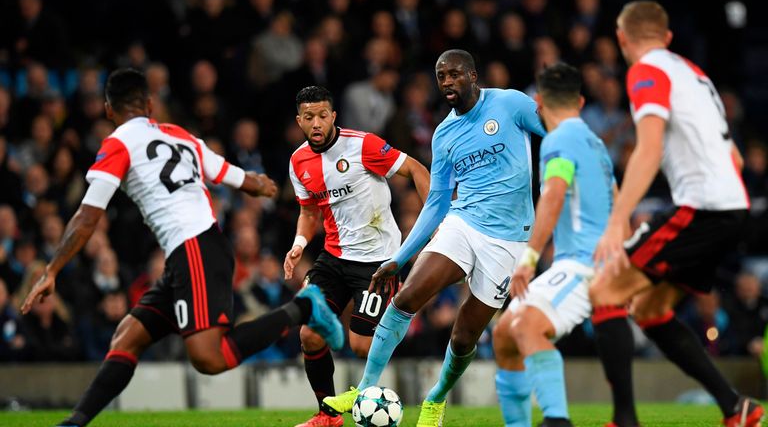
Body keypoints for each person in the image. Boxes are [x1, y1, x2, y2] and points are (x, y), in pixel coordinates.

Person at [19, 68, 345, 427]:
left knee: (209, 358)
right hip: (190, 252)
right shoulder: (180, 136)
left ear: (109, 110)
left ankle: (303, 306)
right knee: (127, 337)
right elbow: (236, 177)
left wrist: (51, 270)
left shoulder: (116, 144)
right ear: (149, 104)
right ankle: (74, 422)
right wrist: (262, 185)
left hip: (196, 249)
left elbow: (86, 216)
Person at [323, 49, 546, 426]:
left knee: (464, 337)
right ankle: (363, 389)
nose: (447, 82)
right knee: (407, 296)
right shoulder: (445, 133)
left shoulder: (511, 104)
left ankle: (436, 399)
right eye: (441, 76)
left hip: (509, 240)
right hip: (463, 222)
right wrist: (400, 257)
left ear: (473, 75)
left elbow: (555, 130)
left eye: (455, 74)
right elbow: (439, 201)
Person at [588, 1, 763, 427]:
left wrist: (617, 221)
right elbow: (735, 158)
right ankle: (736, 408)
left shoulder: (646, 71)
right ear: (667, 37)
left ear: (622, 37)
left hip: (703, 208)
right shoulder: (694, 74)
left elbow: (647, 149)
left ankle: (624, 420)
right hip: (730, 208)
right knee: (649, 309)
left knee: (604, 291)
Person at [285, 85, 430, 427]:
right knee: (309, 335)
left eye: (322, 115)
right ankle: (328, 415)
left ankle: (373, 380)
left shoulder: (363, 144)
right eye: (309, 117)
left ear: (333, 115)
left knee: (362, 346)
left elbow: (417, 171)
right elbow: (309, 211)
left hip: (378, 262)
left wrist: (434, 220)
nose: (316, 123)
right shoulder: (298, 161)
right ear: (299, 121)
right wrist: (298, 244)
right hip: (333, 258)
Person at [492, 62, 615, 427]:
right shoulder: (595, 142)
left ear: (538, 102)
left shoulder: (558, 141)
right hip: (591, 259)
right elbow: (616, 199)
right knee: (504, 334)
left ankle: (557, 420)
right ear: (579, 100)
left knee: (528, 326)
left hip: (583, 263)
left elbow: (555, 195)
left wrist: (528, 258)